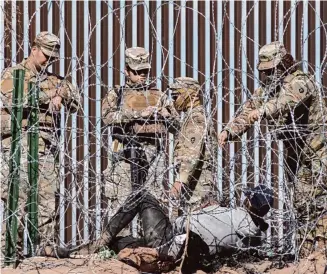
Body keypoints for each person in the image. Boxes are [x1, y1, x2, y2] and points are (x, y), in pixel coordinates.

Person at [217, 41, 327, 256]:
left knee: (319, 206)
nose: (266, 76)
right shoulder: (268, 89)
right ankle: (306, 256)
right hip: (295, 156)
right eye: (264, 72)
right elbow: (248, 110)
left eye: (270, 70)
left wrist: (265, 110)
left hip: (317, 156)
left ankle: (321, 255)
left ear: (282, 65)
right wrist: (229, 132)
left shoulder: (300, 82)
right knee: (301, 207)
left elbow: (287, 101)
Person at [0, 32, 79, 261]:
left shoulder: (54, 79)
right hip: (19, 147)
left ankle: (45, 248)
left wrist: (62, 94)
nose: (49, 61)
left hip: (45, 147)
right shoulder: (13, 74)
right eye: (46, 55)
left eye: (53, 57)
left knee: (46, 200)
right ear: (34, 49)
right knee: (18, 201)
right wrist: (49, 96)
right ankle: (9, 254)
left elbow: (75, 101)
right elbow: (15, 99)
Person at [90, 184, 273, 273]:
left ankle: (100, 241)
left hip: (171, 239)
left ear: (249, 202)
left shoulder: (234, 213)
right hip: (180, 249)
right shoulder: (254, 237)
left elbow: (203, 217)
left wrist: (209, 207)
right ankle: (108, 244)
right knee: (122, 243)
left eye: (247, 197)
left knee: (142, 196)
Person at [168, 77, 218, 211]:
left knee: (194, 227)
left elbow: (192, 152)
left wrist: (180, 180)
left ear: (191, 94)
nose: (174, 101)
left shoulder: (196, 118)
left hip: (197, 188)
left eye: (176, 96)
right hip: (192, 186)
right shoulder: (191, 116)